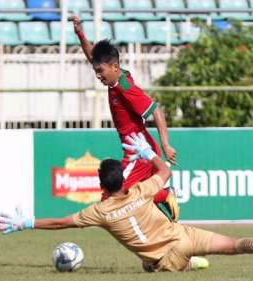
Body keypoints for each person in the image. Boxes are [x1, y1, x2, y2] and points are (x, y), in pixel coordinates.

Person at [0, 133, 253, 272]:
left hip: (166, 258)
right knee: (234, 244)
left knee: (150, 266)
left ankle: (188, 263)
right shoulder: (140, 191)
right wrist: (147, 154)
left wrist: (26, 223)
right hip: (183, 235)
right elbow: (165, 170)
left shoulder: (99, 212)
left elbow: (60, 223)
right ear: (122, 180)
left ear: (101, 185)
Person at [71, 15, 180, 222]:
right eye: (96, 71)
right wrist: (80, 34)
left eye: (100, 71)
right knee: (135, 202)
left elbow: (156, 110)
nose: (98, 76)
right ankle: (169, 223)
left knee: (112, 198)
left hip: (138, 151)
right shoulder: (116, 77)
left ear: (114, 67)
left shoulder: (124, 88)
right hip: (138, 149)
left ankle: (165, 195)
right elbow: (93, 56)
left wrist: (166, 145)